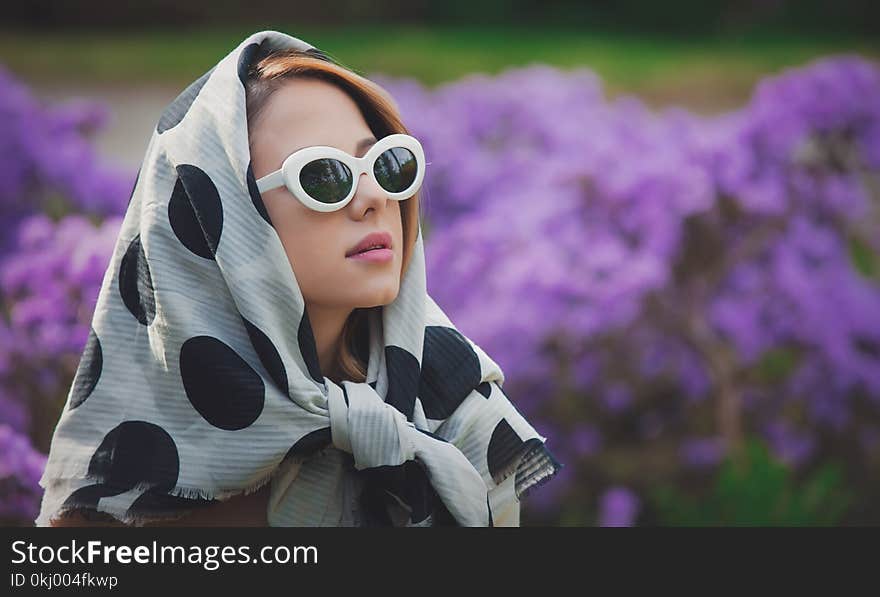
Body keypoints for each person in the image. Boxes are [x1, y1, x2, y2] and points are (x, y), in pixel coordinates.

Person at [39, 30, 563, 528]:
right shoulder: (128, 476)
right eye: (323, 176)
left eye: (388, 164)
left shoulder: (461, 416)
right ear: (217, 219)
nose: (376, 198)